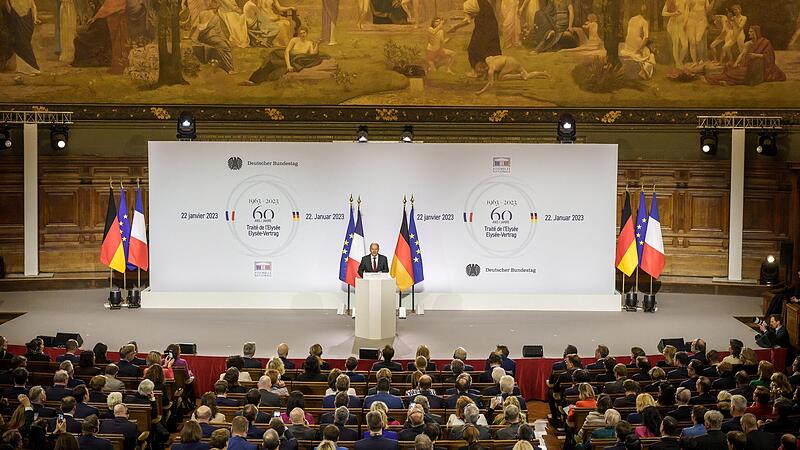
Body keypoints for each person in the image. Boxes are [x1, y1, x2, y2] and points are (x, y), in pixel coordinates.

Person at [706, 26, 786, 86]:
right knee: (729, 65)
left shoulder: (765, 42)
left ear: (756, 32)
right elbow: (742, 54)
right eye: (749, 32)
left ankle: (725, 81)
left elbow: (769, 57)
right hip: (745, 63)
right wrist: (736, 63)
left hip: (758, 66)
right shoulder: (748, 43)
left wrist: (756, 55)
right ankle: (725, 81)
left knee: (739, 73)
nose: (749, 33)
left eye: (751, 32)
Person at [447, 0, 500, 76]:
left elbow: (467, 20)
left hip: (483, 26)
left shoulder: (468, 4)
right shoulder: (482, 2)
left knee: (473, 49)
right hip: (491, 26)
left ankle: (476, 72)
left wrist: (455, 27)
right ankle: (493, 70)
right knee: (490, 47)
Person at [1, 0, 42, 75]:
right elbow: (9, 10)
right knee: (20, 43)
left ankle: (32, 67)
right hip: (17, 21)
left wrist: (35, 18)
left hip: (27, 21)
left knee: (25, 43)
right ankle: (28, 68)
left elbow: (33, 6)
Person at [475, 55, 550, 94]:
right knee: (526, 76)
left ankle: (519, 75)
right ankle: (543, 73)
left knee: (500, 78)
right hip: (511, 59)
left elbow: (491, 83)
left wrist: (480, 92)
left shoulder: (490, 70)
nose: (480, 73)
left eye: (480, 71)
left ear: (484, 68)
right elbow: (499, 57)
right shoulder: (488, 59)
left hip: (509, 62)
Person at [661, 0, 687, 66]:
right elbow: (663, 13)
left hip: (682, 24)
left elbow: (687, 12)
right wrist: (673, 14)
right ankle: (677, 63)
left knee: (685, 45)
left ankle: (680, 61)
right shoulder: (671, 0)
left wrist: (686, 22)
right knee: (676, 43)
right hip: (673, 24)